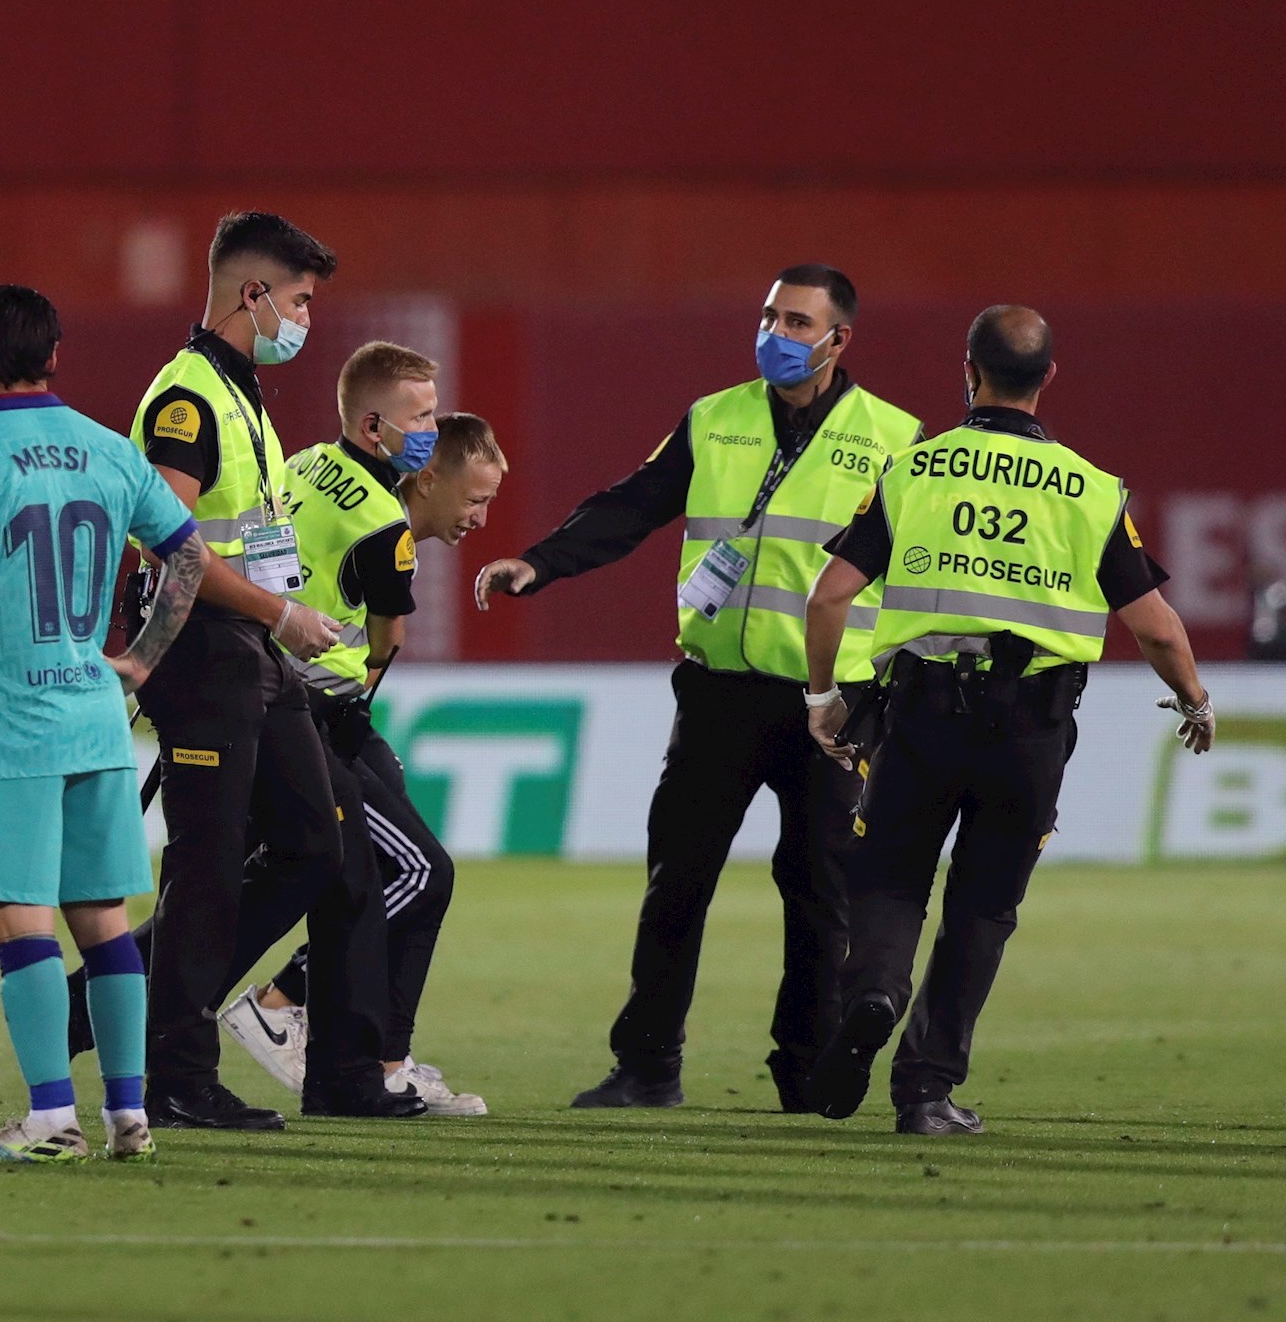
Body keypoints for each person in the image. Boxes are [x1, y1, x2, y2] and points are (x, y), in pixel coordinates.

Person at [474, 265, 922, 1112]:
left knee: (821, 891)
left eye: (797, 322)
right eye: (769, 316)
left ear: (840, 340)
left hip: (834, 702)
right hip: (717, 693)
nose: (776, 335)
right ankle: (647, 1067)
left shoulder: (898, 439)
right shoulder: (714, 419)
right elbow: (634, 504)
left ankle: (807, 1074)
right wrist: (542, 562)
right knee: (676, 881)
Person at [803, 305, 1215, 1135]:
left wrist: (824, 699)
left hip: (920, 718)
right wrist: (1196, 702)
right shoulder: (1094, 491)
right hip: (1030, 733)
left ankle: (876, 992)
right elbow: (1157, 626)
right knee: (983, 910)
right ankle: (925, 1092)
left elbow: (831, 596)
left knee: (887, 877)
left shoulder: (911, 472)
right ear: (1048, 377)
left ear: (968, 370)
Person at [0, 285, 212, 1163]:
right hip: (94, 716)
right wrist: (143, 657)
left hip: (12, 725)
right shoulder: (113, 452)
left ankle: (50, 1118)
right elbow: (188, 555)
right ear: (54, 355)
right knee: (103, 917)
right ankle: (130, 1115)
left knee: (18, 918)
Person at [130, 211, 417, 1127]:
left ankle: (136, 1004)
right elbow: (172, 549)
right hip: (206, 655)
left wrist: (280, 618)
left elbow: (247, 541)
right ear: (252, 293)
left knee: (314, 846)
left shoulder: (240, 392)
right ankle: (174, 1071)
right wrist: (280, 613)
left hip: (255, 653)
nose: (303, 316)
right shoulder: (185, 398)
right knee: (208, 870)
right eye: (296, 298)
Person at [220, 393, 509, 1117]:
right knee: (418, 870)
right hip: (307, 716)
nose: (480, 518)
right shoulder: (384, 531)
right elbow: (384, 644)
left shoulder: (317, 468)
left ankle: (386, 1062)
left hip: (318, 711)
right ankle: (279, 1001)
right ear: (428, 477)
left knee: (417, 876)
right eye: (474, 498)